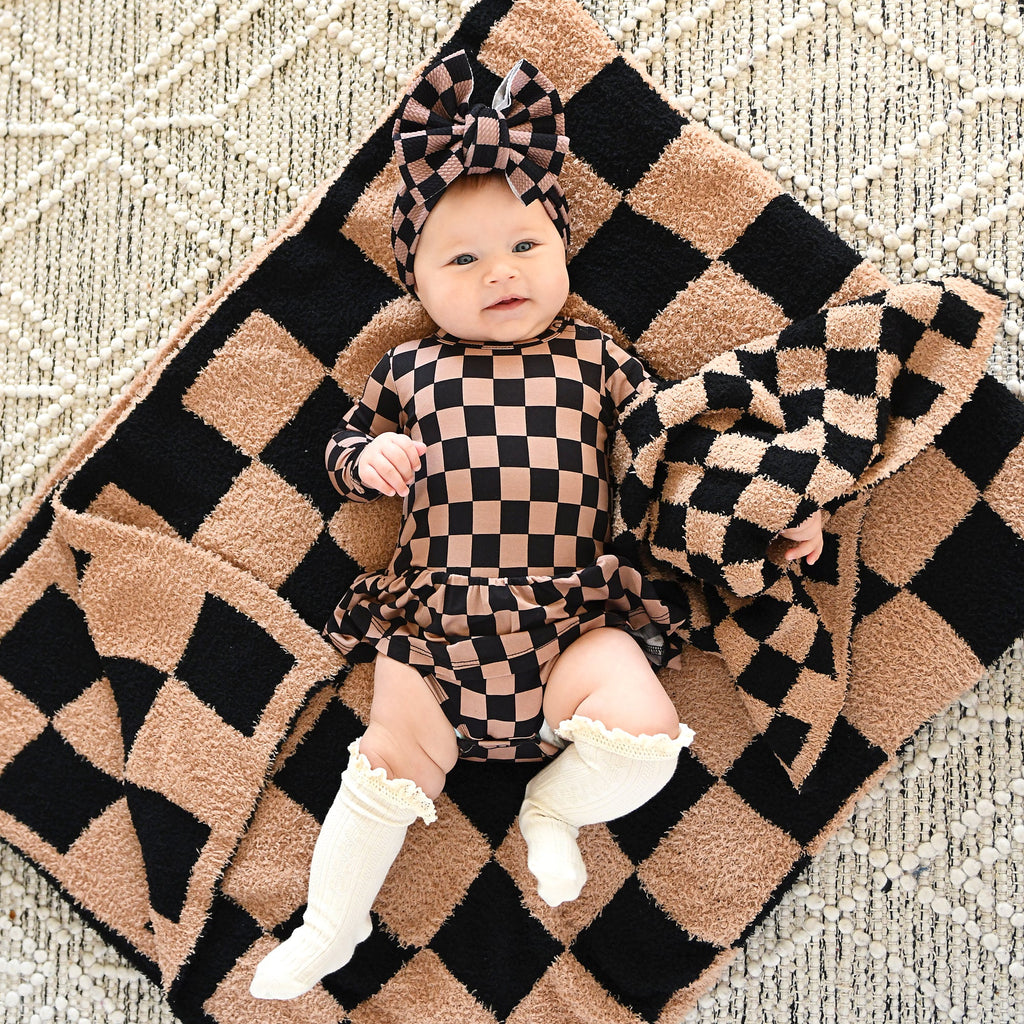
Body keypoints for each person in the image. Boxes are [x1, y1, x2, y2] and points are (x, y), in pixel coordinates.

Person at [250, 50, 823, 1001]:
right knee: (386, 753)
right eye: (462, 259)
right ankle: (330, 924)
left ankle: (553, 810)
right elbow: (341, 449)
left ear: (561, 249)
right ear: (416, 282)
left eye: (525, 244)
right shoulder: (411, 370)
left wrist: (765, 515)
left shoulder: (597, 360)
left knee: (648, 723)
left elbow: (674, 455)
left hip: (571, 626)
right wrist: (371, 458)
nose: (501, 272)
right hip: (436, 625)